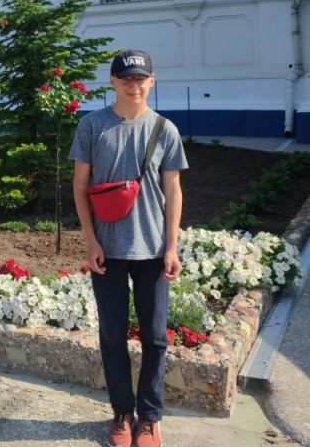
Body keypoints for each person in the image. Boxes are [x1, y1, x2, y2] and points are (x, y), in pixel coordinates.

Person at [69, 48, 187, 447]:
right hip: (109, 249)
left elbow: (173, 190)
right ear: (113, 81)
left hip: (153, 251)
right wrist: (90, 240)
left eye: (141, 79)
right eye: (126, 79)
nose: (134, 86)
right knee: (113, 335)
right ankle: (122, 413)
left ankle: (150, 419)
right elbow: (79, 186)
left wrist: (172, 247)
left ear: (151, 82)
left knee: (155, 338)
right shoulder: (92, 126)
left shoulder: (165, 130)